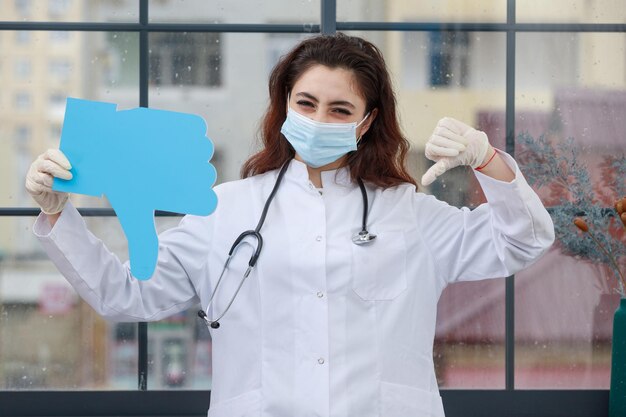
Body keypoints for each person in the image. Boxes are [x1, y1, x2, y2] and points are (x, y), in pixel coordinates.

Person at [25, 33, 554, 417]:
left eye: (340, 108)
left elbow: (523, 240)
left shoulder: (408, 214)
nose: (319, 119)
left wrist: (488, 160)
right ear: (284, 108)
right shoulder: (225, 210)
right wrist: (57, 213)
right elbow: (126, 295)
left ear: (366, 121)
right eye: (306, 103)